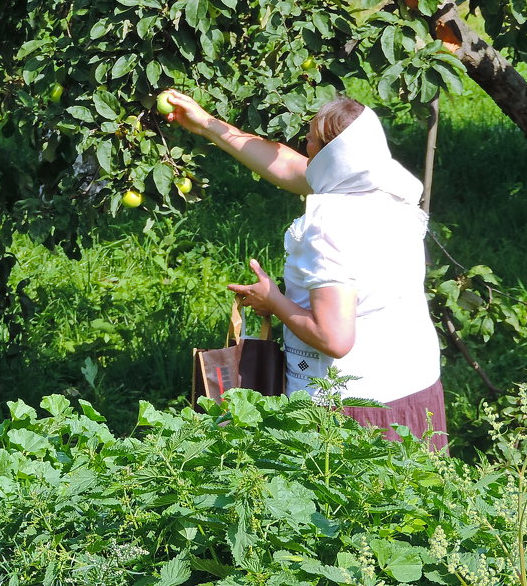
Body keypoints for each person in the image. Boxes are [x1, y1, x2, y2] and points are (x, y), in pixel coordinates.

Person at [164, 89, 448, 452]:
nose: (304, 146)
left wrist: (274, 300)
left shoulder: (329, 226)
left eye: (311, 141)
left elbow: (334, 339)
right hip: (412, 389)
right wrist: (206, 124)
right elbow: (288, 165)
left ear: (331, 156)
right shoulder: (387, 189)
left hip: (354, 410)